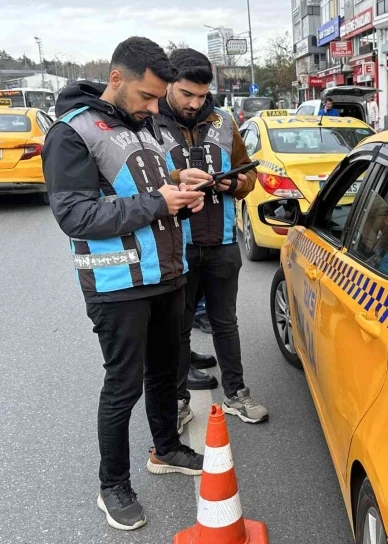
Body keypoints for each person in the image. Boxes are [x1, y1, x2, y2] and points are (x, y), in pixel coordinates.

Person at [41, 37, 205, 532]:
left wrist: (180, 177)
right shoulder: (71, 133)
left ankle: (167, 448)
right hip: (117, 283)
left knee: (165, 371)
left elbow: (138, 181)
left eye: (159, 99)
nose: (156, 107)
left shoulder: (141, 125)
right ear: (117, 79)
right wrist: (162, 202)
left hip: (165, 272)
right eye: (148, 97)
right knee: (123, 385)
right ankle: (112, 485)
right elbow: (74, 214)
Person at [155, 48, 268, 432]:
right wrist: (175, 180)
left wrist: (233, 182)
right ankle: (178, 401)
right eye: (187, 94)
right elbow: (136, 184)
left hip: (221, 243)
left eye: (202, 96)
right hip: (175, 246)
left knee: (226, 323)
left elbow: (249, 178)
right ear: (170, 84)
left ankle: (236, 394)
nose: (195, 103)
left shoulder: (224, 122)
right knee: (178, 329)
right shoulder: (150, 122)